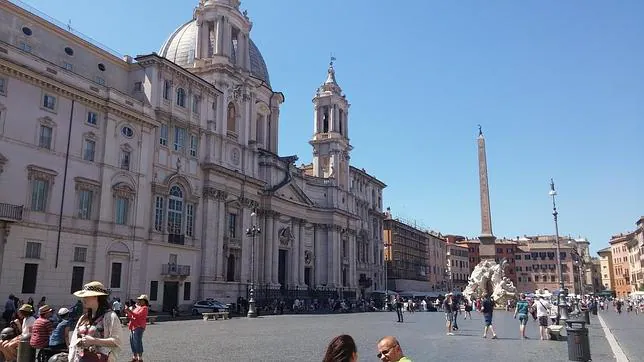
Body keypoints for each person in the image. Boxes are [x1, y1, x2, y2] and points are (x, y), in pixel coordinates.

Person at [69, 281, 122, 362]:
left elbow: (117, 341)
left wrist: (94, 341)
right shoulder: (84, 317)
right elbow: (73, 340)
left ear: (96, 297)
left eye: (86, 296)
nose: (83, 299)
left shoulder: (110, 316)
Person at [124, 294, 149, 362]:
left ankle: (140, 358)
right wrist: (127, 312)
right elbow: (132, 315)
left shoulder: (145, 308)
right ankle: (135, 357)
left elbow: (137, 315)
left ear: (145, 301)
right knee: (132, 341)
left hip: (139, 326)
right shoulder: (137, 307)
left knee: (137, 342)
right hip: (133, 326)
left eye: (141, 300)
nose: (139, 301)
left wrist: (129, 311)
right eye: (139, 300)